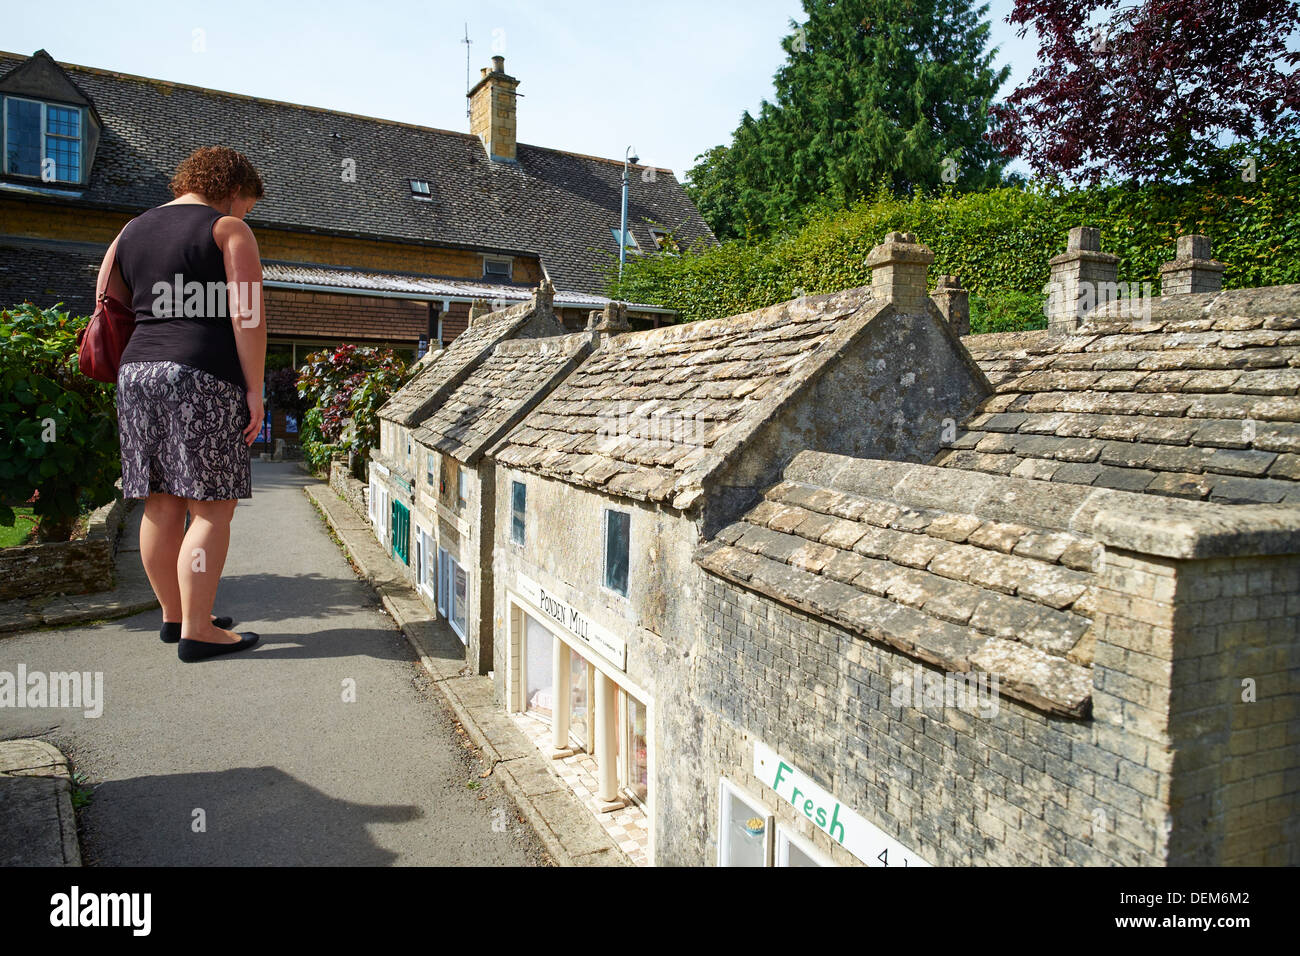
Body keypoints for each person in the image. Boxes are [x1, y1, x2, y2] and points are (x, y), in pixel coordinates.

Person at [96, 146, 267, 662]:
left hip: (137, 371)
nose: (241, 217)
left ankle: (176, 617)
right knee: (212, 508)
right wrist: (255, 389)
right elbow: (249, 317)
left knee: (160, 502)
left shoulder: (130, 230)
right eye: (245, 206)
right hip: (202, 373)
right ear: (234, 190)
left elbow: (106, 299)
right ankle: (200, 631)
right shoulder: (227, 231)